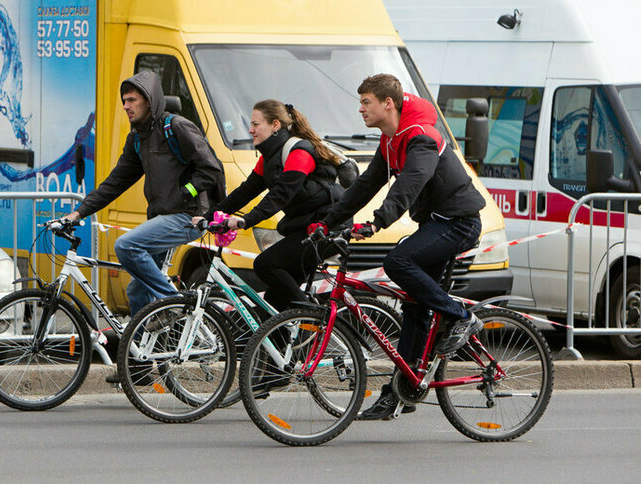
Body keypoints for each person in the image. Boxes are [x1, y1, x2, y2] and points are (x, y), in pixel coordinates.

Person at [312, 73, 486, 420]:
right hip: (436, 222)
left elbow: (409, 184)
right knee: (415, 309)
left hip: (459, 222)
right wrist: (327, 222)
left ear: (387, 103)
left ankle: (461, 317)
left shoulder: (420, 137)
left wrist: (378, 222)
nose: (360, 109)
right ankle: (401, 392)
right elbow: (365, 185)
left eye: (366, 102)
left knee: (398, 262)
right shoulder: (390, 140)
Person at [65, 71, 225, 317]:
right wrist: (78, 213)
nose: (125, 106)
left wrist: (185, 193)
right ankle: (140, 351)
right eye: (124, 101)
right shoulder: (138, 138)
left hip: (187, 216)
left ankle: (175, 304)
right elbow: (115, 183)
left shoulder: (177, 127)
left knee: (127, 245)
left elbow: (211, 170)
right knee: (137, 293)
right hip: (161, 219)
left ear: (149, 101)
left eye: (131, 100)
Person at [193, 99, 344, 311]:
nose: (250, 129)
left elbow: (281, 194)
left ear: (275, 125)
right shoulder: (269, 157)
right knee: (274, 303)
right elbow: (245, 192)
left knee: (265, 264)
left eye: (256, 124)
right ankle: (286, 338)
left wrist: (246, 220)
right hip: (305, 228)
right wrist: (209, 216)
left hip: (327, 228)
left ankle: (315, 315)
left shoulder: (299, 152)